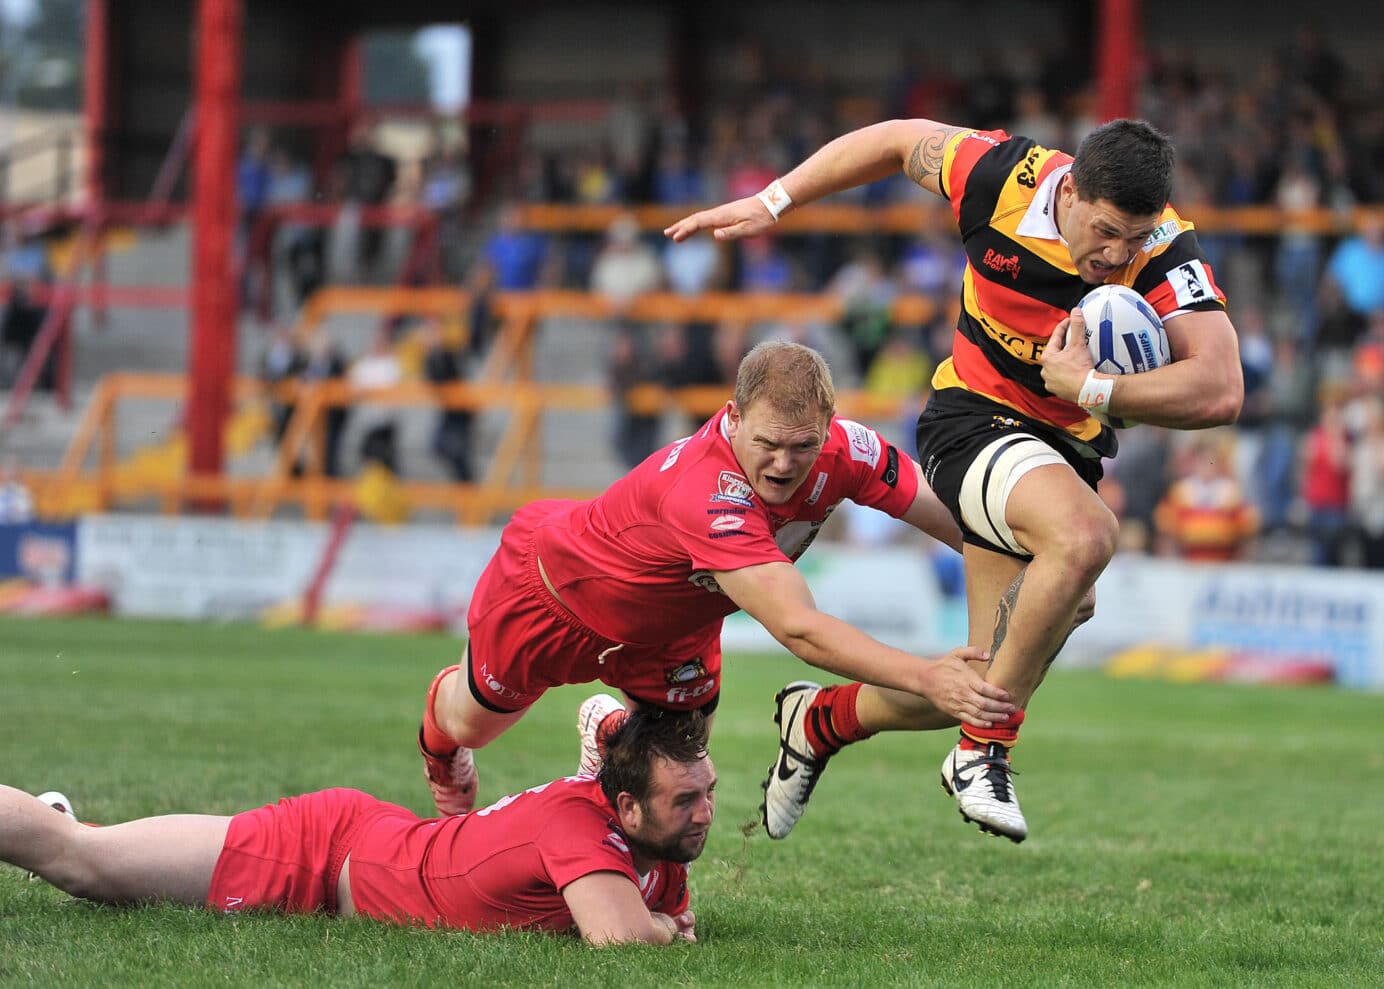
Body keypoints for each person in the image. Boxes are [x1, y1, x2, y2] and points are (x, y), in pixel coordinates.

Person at [666, 116, 1243, 843]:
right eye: (1105, 231)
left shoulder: (1161, 248)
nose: (1118, 253)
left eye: (1135, 236)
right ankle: (983, 752)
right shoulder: (1001, 176)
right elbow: (893, 140)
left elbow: (1221, 388)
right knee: (1086, 536)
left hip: (1063, 451)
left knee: (982, 674)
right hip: (970, 422)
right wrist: (776, 201)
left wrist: (1093, 388)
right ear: (1071, 190)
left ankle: (818, 721)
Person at [417, 340, 1014, 828]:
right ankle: (443, 750)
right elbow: (797, 626)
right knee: (471, 724)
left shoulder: (848, 450)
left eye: (803, 446)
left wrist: (1036, 570)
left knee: (679, 784)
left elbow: (961, 521)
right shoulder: (706, 491)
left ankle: (624, 831)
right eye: (768, 445)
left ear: (829, 427)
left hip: (676, 631)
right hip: (556, 598)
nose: (784, 463)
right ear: (732, 420)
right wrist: (927, 675)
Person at [6, 705, 710, 946]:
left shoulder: (653, 835)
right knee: (82, 863)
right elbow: (622, 937)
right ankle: (64, 828)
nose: (703, 813)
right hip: (319, 856)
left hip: (372, 847)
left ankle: (74, 822)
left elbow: (669, 911)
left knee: (108, 857)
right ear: (623, 806)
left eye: (706, 792)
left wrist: (662, 917)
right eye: (685, 800)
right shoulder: (579, 827)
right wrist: (654, 926)